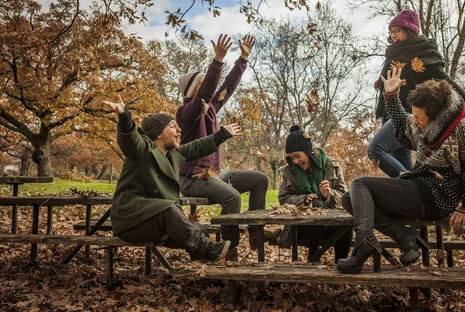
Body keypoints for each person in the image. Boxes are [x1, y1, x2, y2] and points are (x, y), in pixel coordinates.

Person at [337, 68, 465, 274]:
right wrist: (390, 95)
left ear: (438, 117)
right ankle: (405, 238)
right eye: (414, 115)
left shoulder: (463, 129)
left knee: (359, 183)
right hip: (420, 186)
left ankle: (364, 242)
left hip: (439, 195)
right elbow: (401, 120)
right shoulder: (421, 124)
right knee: (349, 198)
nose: (414, 121)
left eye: (419, 117)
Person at [176, 33, 281, 260]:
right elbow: (206, 92)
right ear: (192, 90)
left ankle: (255, 234)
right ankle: (229, 249)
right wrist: (218, 61)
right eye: (203, 84)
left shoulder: (211, 106)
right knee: (233, 197)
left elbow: (228, 86)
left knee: (259, 179)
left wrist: (242, 58)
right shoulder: (187, 112)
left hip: (216, 174)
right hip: (193, 178)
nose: (209, 88)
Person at [102, 95, 242, 262]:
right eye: (173, 126)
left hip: (156, 221)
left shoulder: (174, 154)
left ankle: (206, 278)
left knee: (200, 230)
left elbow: (197, 147)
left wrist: (221, 135)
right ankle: (209, 249)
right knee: (169, 210)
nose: (179, 130)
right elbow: (130, 139)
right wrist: (125, 116)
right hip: (132, 221)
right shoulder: (142, 149)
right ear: (159, 133)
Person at [368, 9, 465, 178]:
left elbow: (445, 80)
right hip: (388, 114)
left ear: (410, 29)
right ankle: (417, 197)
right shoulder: (395, 52)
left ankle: (418, 182)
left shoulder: (422, 55)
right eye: (391, 32)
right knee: (405, 167)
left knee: (376, 150)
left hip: (406, 116)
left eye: (397, 30)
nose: (393, 35)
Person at [278, 125, 352, 262]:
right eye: (291, 158)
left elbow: (345, 199)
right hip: (301, 226)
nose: (295, 161)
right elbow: (283, 199)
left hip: (332, 224)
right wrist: (304, 199)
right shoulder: (289, 171)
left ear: (308, 151)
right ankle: (313, 260)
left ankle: (341, 264)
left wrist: (328, 194)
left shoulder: (332, 165)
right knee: (315, 205)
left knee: (346, 225)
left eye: (298, 156)